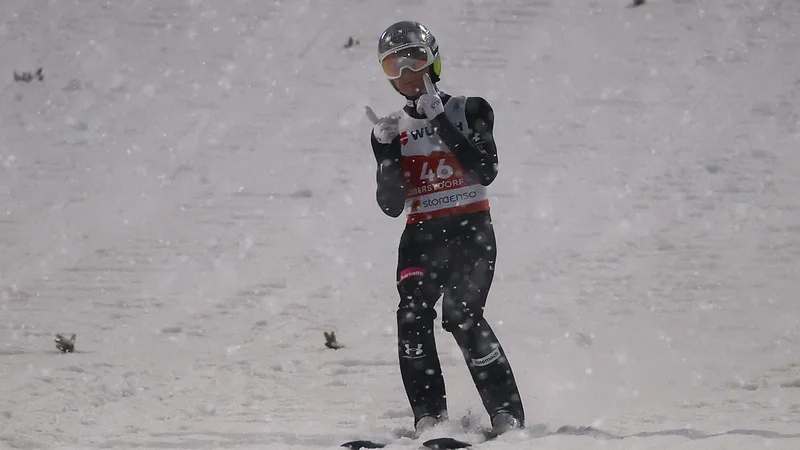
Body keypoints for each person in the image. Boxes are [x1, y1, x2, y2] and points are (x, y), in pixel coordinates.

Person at [364, 21, 525, 437]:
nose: (405, 74)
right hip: (421, 235)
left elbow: (485, 170)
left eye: (413, 59)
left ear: (433, 60)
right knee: (412, 315)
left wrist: (442, 124)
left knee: (462, 316)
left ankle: (507, 414)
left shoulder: (470, 109)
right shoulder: (393, 128)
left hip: (471, 228)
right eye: (393, 66)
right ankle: (429, 417)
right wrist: (384, 151)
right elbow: (390, 205)